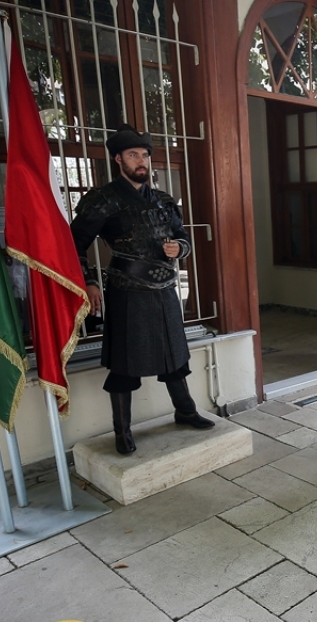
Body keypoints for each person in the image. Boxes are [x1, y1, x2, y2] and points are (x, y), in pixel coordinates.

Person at [71, 124, 214, 455]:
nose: (141, 161)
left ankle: (186, 411)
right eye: (133, 155)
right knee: (125, 364)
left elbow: (184, 237)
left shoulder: (164, 201)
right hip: (127, 291)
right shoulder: (103, 200)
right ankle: (122, 431)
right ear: (117, 158)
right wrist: (89, 280)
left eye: (145, 155)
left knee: (175, 358)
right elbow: (73, 243)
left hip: (165, 290)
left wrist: (180, 248)